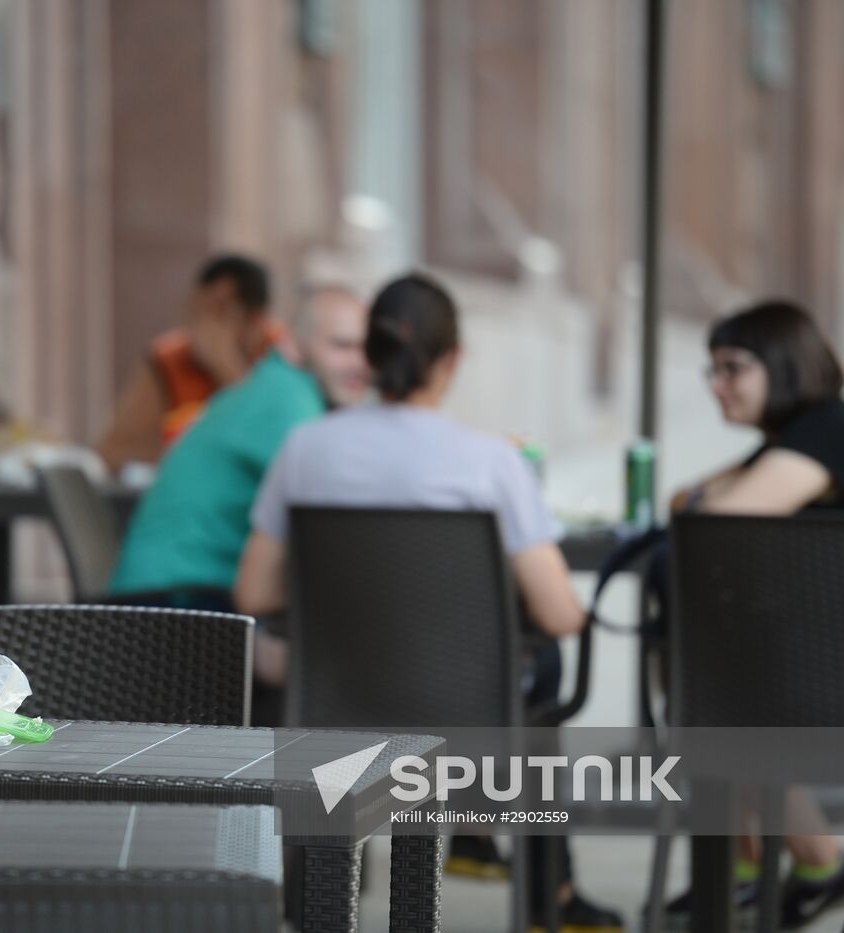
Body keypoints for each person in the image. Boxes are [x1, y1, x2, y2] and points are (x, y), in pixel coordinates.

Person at [234, 273, 621, 932]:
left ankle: (315, 905)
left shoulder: (307, 450)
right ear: (453, 360)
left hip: (333, 705)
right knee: (545, 668)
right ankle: (542, 892)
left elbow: (254, 592)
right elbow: (559, 614)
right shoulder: (491, 463)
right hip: (467, 718)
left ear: (370, 356)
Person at [664, 299, 844, 929]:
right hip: (836, 672)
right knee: (713, 689)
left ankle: (791, 865)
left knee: (712, 695)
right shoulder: (800, 436)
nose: (717, 385)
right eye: (711, 370)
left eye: (733, 367)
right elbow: (685, 501)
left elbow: (716, 524)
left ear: (783, 366)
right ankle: (794, 865)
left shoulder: (827, 433)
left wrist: (709, 492)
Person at [107, 280, 371, 607]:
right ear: (291, 344)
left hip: (163, 591)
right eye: (342, 346)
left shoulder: (274, 385)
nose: (360, 363)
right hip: (170, 605)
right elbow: (333, 522)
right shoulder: (287, 400)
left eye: (367, 349)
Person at [95, 254, 286, 471]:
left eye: (224, 312)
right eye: (202, 310)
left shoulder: (284, 357)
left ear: (258, 320)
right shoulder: (170, 360)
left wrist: (227, 369)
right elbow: (111, 451)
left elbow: (275, 447)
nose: (207, 326)